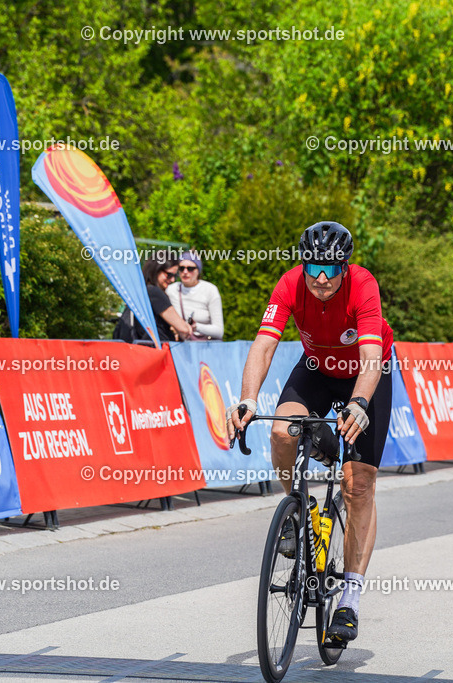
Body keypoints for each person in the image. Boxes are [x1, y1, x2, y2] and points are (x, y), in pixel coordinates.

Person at [227, 221, 393, 647]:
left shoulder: (363, 285)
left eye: (330, 269)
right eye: (313, 267)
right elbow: (264, 344)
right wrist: (248, 398)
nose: (320, 278)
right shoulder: (289, 284)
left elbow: (371, 356)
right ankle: (298, 512)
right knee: (282, 432)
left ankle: (349, 599)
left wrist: (359, 403)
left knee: (358, 485)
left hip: (365, 375)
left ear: (345, 266)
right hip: (318, 370)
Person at [166, 251, 224, 340]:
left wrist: (196, 327)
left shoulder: (210, 290)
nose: (185, 272)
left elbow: (219, 331)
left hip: (207, 345)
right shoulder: (171, 290)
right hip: (182, 345)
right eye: (181, 268)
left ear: (198, 271)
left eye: (190, 269)